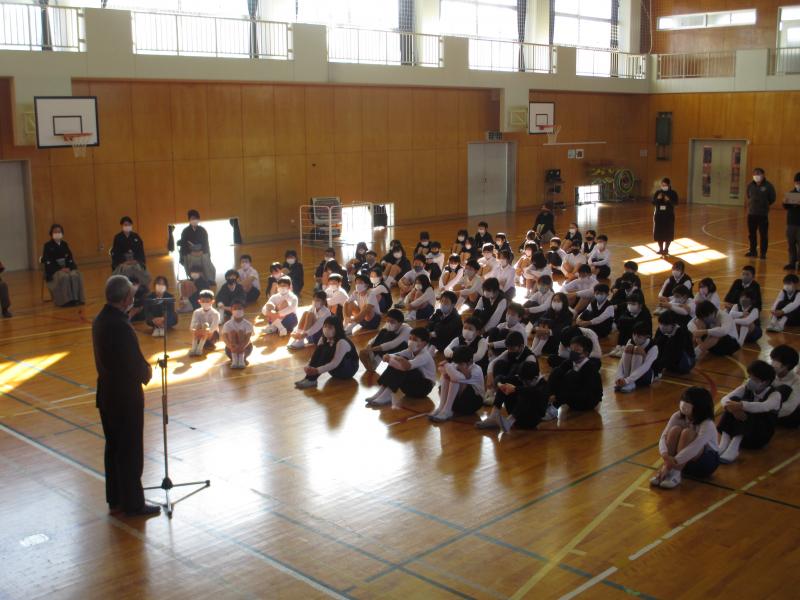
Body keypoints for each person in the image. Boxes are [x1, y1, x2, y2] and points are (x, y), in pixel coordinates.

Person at [92, 275, 158, 517]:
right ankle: (133, 504)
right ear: (126, 298)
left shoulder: (100, 319)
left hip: (107, 394)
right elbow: (133, 362)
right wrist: (147, 371)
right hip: (125, 397)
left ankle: (116, 499)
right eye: (131, 294)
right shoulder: (120, 325)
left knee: (114, 449)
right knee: (130, 451)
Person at [651, 386, 719, 489]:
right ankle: (669, 472)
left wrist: (671, 464)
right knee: (674, 430)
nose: (683, 403)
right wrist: (665, 454)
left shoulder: (707, 424)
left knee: (687, 433)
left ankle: (674, 473)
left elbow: (695, 448)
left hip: (704, 462)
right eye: (684, 400)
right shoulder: (677, 416)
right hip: (681, 462)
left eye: (688, 401)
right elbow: (663, 436)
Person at [717, 360, 781, 463]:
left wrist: (741, 406)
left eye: (754, 379)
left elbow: (763, 407)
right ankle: (724, 443)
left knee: (749, 407)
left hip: (758, 436)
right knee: (733, 400)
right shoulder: (746, 388)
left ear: (765, 382)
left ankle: (734, 448)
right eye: (750, 376)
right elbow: (725, 399)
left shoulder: (775, 395)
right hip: (738, 432)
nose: (750, 380)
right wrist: (734, 410)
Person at [366, 327, 436, 406]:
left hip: (423, 388)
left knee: (402, 366)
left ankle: (387, 395)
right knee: (397, 363)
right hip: (409, 387)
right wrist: (387, 356)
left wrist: (397, 359)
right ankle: (380, 393)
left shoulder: (425, 355)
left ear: (424, 343)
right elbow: (396, 355)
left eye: (415, 340)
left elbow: (408, 366)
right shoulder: (410, 351)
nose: (411, 341)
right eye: (410, 338)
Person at [476, 361, 549, 431]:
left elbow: (535, 393)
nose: (524, 383)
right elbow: (499, 378)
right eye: (522, 380)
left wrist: (515, 389)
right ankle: (493, 416)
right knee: (505, 385)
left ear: (535, 378)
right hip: (517, 414)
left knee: (527, 393)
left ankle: (509, 421)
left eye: (526, 381)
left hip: (531, 419)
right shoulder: (523, 378)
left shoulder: (543, 386)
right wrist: (500, 385)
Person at [547, 334, 603, 419]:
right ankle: (548, 401)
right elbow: (557, 375)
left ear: (586, 353)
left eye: (576, 350)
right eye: (571, 349)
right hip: (573, 396)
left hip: (587, 401)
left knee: (572, 375)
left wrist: (560, 395)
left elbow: (589, 392)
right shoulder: (569, 362)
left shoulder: (590, 368)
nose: (573, 352)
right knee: (557, 370)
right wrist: (552, 392)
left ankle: (554, 408)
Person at [295, 317, 359, 389]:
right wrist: (309, 366)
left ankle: (312, 380)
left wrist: (317, 370)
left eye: (330, 327)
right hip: (334, 371)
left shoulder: (342, 342)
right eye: (325, 326)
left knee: (326, 351)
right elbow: (316, 355)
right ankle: (308, 378)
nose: (326, 329)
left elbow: (335, 363)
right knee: (320, 349)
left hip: (347, 370)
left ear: (337, 329)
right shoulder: (323, 338)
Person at [428, 346, 485, 423]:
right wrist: (445, 367)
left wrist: (447, 366)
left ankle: (447, 410)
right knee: (447, 377)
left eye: (461, 363)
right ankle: (442, 407)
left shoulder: (476, 370)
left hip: (472, 403)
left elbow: (457, 378)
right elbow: (442, 371)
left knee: (454, 379)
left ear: (470, 361)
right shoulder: (457, 364)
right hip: (458, 402)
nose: (458, 365)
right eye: (457, 363)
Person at [484, 331, 537, 402]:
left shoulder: (530, 358)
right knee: (499, 364)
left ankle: (502, 395)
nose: (509, 351)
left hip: (522, 382)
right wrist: (490, 374)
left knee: (514, 368)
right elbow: (493, 363)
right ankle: (493, 392)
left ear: (521, 346)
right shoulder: (509, 351)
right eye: (508, 348)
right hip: (510, 377)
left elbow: (531, 380)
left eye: (512, 349)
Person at [42, 224, 85, 307]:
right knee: (64, 277)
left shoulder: (65, 244)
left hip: (66, 268)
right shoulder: (47, 246)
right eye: (55, 232)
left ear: (62, 233)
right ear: (51, 233)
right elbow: (48, 261)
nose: (57, 234)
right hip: (55, 269)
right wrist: (60, 269)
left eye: (59, 232)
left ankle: (76, 299)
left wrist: (69, 267)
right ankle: (65, 301)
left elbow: (70, 258)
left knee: (75, 275)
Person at [614, 322, 659, 393]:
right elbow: (622, 361)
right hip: (628, 375)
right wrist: (619, 377)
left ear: (647, 336)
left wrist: (628, 380)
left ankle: (631, 383)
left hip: (645, 375)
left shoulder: (653, 347)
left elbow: (645, 367)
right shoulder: (630, 341)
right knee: (629, 348)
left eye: (639, 336)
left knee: (638, 349)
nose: (635, 338)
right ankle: (625, 382)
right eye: (634, 334)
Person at [745, 167, 776, 259]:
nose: (756, 175)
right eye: (754, 174)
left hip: (763, 214)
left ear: (763, 175)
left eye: (758, 173)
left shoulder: (768, 186)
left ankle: (763, 253)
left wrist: (764, 205)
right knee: (752, 234)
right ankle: (753, 251)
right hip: (751, 214)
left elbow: (772, 198)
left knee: (763, 235)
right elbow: (748, 196)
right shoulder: (750, 185)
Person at [653, 311, 695, 377]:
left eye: (666, 325)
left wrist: (659, 366)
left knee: (670, 348)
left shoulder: (681, 332)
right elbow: (656, 346)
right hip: (672, 358)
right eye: (661, 324)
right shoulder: (660, 330)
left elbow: (676, 353)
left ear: (673, 325)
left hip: (685, 358)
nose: (662, 326)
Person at [530, 292, 573, 357]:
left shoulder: (569, 314)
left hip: (556, 341)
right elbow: (539, 320)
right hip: (544, 339)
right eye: (554, 300)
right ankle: (533, 349)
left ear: (564, 302)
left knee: (545, 327)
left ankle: (537, 350)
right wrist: (536, 328)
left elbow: (562, 329)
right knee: (542, 325)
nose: (555, 302)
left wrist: (548, 331)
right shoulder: (550, 311)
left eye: (558, 301)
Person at [111, 216, 150, 287]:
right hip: (123, 262)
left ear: (131, 225)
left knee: (138, 269)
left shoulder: (136, 236)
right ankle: (125, 287)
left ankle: (139, 287)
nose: (127, 226)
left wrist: (136, 260)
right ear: (122, 226)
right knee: (126, 269)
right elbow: (116, 253)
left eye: (129, 224)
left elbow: (140, 251)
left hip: (135, 260)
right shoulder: (118, 238)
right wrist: (124, 262)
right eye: (125, 225)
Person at [178, 210, 215, 282]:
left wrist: (202, 251)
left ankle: (209, 279)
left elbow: (206, 244)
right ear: (189, 220)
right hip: (190, 253)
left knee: (205, 258)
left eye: (196, 218)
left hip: (201, 252)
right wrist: (191, 252)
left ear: (198, 219)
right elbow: (183, 245)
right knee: (189, 258)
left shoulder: (202, 230)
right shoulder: (185, 231)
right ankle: (193, 277)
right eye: (192, 218)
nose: (194, 220)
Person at [771, 345, 800, 427]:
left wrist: (765, 414)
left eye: (776, 361)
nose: (772, 363)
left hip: (787, 414)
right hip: (769, 408)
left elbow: (789, 407)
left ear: (787, 365)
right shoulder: (770, 373)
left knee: (784, 389)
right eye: (772, 360)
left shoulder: (797, 381)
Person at [222, 301, 254, 369]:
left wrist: (241, 347)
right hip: (230, 350)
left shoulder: (248, 324)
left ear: (243, 310)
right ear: (231, 310)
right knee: (232, 332)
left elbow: (248, 338)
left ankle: (241, 360)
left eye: (239, 308)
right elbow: (225, 338)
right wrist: (232, 347)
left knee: (240, 332)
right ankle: (234, 360)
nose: (237, 310)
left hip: (246, 349)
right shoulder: (227, 324)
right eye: (235, 309)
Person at [189, 290, 220, 356]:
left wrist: (204, 332)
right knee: (197, 326)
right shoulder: (196, 312)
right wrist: (196, 330)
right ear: (199, 301)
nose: (205, 303)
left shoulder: (215, 313)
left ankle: (199, 349)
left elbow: (213, 328)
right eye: (203, 301)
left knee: (206, 327)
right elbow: (192, 326)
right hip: (199, 334)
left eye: (207, 301)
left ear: (212, 301)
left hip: (211, 337)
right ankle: (194, 349)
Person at [652, 178, 678, 255]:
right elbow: (653, 203)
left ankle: (666, 249)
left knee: (668, 233)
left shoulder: (673, 193)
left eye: (665, 185)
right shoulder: (658, 193)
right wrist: (658, 199)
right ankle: (660, 249)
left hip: (669, 216)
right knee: (659, 233)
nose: (663, 186)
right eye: (662, 185)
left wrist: (669, 200)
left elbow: (675, 203)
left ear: (669, 185)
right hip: (659, 216)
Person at [784, 172, 800, 270]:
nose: (798, 184)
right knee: (791, 244)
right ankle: (792, 263)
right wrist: (785, 202)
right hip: (791, 223)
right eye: (797, 182)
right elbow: (786, 207)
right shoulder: (791, 193)